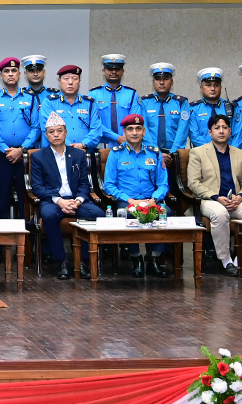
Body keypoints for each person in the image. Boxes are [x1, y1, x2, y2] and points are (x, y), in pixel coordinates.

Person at [188, 115, 242, 277]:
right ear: (210, 132)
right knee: (220, 213)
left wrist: (241, 196)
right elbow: (193, 183)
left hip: (235, 201)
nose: (221, 131)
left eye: (224, 128)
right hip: (210, 200)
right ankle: (226, 260)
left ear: (230, 131)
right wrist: (216, 197)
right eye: (217, 128)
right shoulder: (198, 153)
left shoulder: (239, 154)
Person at [30, 111, 103, 280]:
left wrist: (78, 201)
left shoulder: (78, 154)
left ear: (66, 132)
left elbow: (85, 183)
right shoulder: (38, 157)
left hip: (76, 199)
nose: (56, 135)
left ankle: (82, 261)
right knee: (49, 215)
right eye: (51, 132)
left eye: (59, 131)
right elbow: (37, 187)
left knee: (97, 214)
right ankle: (62, 261)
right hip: (52, 200)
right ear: (46, 135)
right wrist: (59, 201)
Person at [102, 114, 169, 277]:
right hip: (127, 201)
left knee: (166, 214)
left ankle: (153, 259)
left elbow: (163, 184)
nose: (134, 132)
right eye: (130, 129)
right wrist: (130, 200)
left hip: (151, 199)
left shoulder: (154, 153)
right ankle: (136, 258)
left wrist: (153, 199)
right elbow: (108, 185)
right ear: (124, 132)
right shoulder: (116, 153)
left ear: (144, 131)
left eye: (138, 129)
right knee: (129, 214)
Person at [0, 59, 35, 247]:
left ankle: (25, 245)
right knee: (0, 200)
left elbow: (36, 127)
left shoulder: (31, 98)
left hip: (25, 156)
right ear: (1, 75)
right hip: (1, 155)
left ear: (20, 74)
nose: (10, 74)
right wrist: (5, 149)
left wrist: (22, 149)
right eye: (6, 71)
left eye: (14, 70)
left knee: (25, 200)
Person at [139, 62, 187, 176]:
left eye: (165, 79)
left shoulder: (181, 102)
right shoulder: (144, 102)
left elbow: (183, 131)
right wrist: (157, 153)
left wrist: (172, 154)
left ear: (172, 82)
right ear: (153, 82)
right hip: (150, 155)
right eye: (158, 79)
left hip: (174, 157)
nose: (161, 82)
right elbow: (143, 129)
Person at [45, 65, 105, 151]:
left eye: (74, 78)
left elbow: (96, 130)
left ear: (79, 81)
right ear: (59, 81)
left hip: (85, 152)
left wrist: (83, 144)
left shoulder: (89, 103)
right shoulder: (49, 102)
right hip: (58, 153)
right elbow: (47, 129)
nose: (70, 82)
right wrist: (69, 146)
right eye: (66, 78)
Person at [87, 54, 139, 146]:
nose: (114, 72)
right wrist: (116, 137)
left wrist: (125, 138)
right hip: (102, 145)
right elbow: (93, 122)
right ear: (103, 71)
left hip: (127, 144)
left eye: (117, 69)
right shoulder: (93, 94)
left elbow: (135, 120)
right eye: (110, 69)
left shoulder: (132, 94)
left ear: (123, 72)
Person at [179, 68, 230, 149]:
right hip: (203, 153)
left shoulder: (230, 107)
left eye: (216, 85)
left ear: (221, 87)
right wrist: (210, 150)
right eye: (208, 85)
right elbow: (194, 136)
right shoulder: (193, 109)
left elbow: (237, 134)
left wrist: (230, 151)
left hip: (228, 152)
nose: (213, 89)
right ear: (201, 88)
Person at [21, 54, 58, 124]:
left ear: (44, 73)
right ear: (25, 74)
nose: (35, 74)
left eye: (39, 70)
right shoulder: (20, 95)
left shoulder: (54, 95)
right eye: (31, 71)